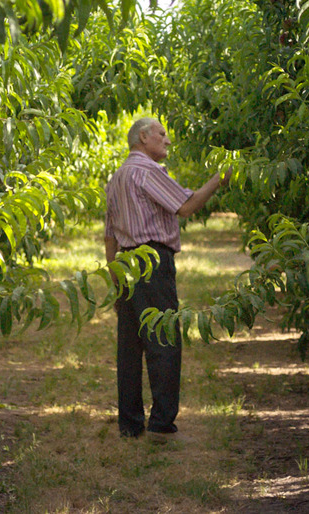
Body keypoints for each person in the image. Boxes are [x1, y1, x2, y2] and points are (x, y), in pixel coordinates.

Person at [103, 117, 229, 442]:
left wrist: (114, 274)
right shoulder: (147, 172)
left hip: (125, 264)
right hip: (152, 261)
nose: (167, 141)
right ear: (143, 137)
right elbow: (186, 206)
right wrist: (219, 179)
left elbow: (109, 236)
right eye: (162, 134)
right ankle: (161, 424)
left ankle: (130, 425)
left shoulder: (117, 177)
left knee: (130, 348)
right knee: (164, 340)